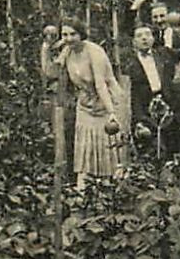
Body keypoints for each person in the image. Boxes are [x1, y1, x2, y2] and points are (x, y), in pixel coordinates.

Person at [43, 21, 123, 186]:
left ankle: (109, 187)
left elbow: (101, 84)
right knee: (85, 145)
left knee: (106, 145)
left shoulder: (94, 52)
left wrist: (112, 112)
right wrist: (45, 48)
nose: (69, 38)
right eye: (65, 35)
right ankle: (83, 188)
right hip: (86, 104)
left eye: (73, 34)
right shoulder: (67, 51)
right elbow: (51, 73)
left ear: (81, 34)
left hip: (107, 100)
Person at [123, 24, 180, 158]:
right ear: (134, 42)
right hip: (145, 106)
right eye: (139, 36)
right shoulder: (130, 63)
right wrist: (139, 119)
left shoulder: (163, 53)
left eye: (147, 35)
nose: (144, 38)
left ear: (153, 38)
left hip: (167, 102)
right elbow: (132, 94)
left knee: (174, 144)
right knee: (151, 147)